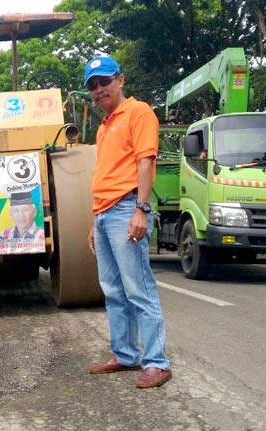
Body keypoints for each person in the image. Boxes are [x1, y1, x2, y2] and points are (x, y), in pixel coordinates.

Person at [83, 55, 172, 389]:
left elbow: (145, 162)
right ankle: (124, 354)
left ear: (120, 80)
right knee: (113, 290)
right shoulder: (103, 127)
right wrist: (95, 219)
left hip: (125, 209)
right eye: (92, 85)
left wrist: (141, 209)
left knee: (139, 289)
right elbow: (104, 174)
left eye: (104, 81)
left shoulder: (139, 112)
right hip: (105, 213)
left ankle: (157, 362)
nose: (99, 90)